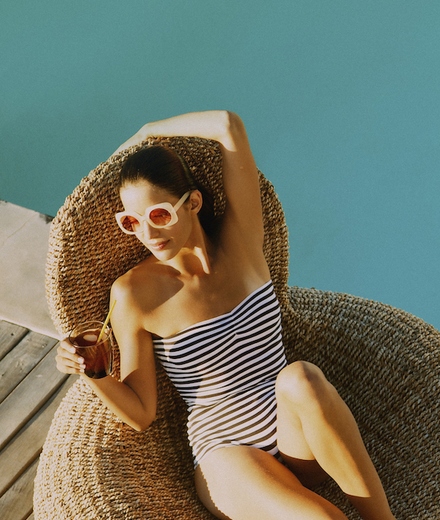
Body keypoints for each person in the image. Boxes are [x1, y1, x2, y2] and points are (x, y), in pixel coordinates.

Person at [55, 110, 395, 520]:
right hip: (229, 455)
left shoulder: (243, 243)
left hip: (295, 439)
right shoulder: (133, 294)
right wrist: (93, 374)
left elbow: (228, 127)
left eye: (158, 214)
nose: (148, 232)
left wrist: (147, 132)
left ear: (193, 202)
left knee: (301, 377)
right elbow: (142, 413)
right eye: (131, 222)